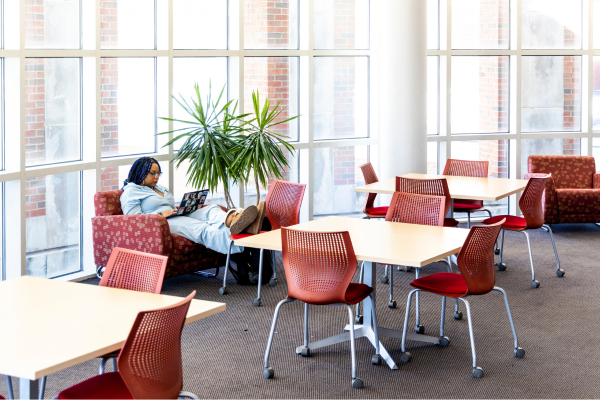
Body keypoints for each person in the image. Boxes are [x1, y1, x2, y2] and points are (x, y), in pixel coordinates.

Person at [119, 157, 266, 257]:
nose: (156, 177)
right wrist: (162, 214)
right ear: (140, 173)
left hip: (176, 214)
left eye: (158, 173)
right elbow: (134, 221)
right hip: (163, 223)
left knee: (211, 209)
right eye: (152, 173)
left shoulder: (159, 187)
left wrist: (187, 206)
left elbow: (169, 205)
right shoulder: (131, 192)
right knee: (201, 227)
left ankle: (234, 220)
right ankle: (242, 240)